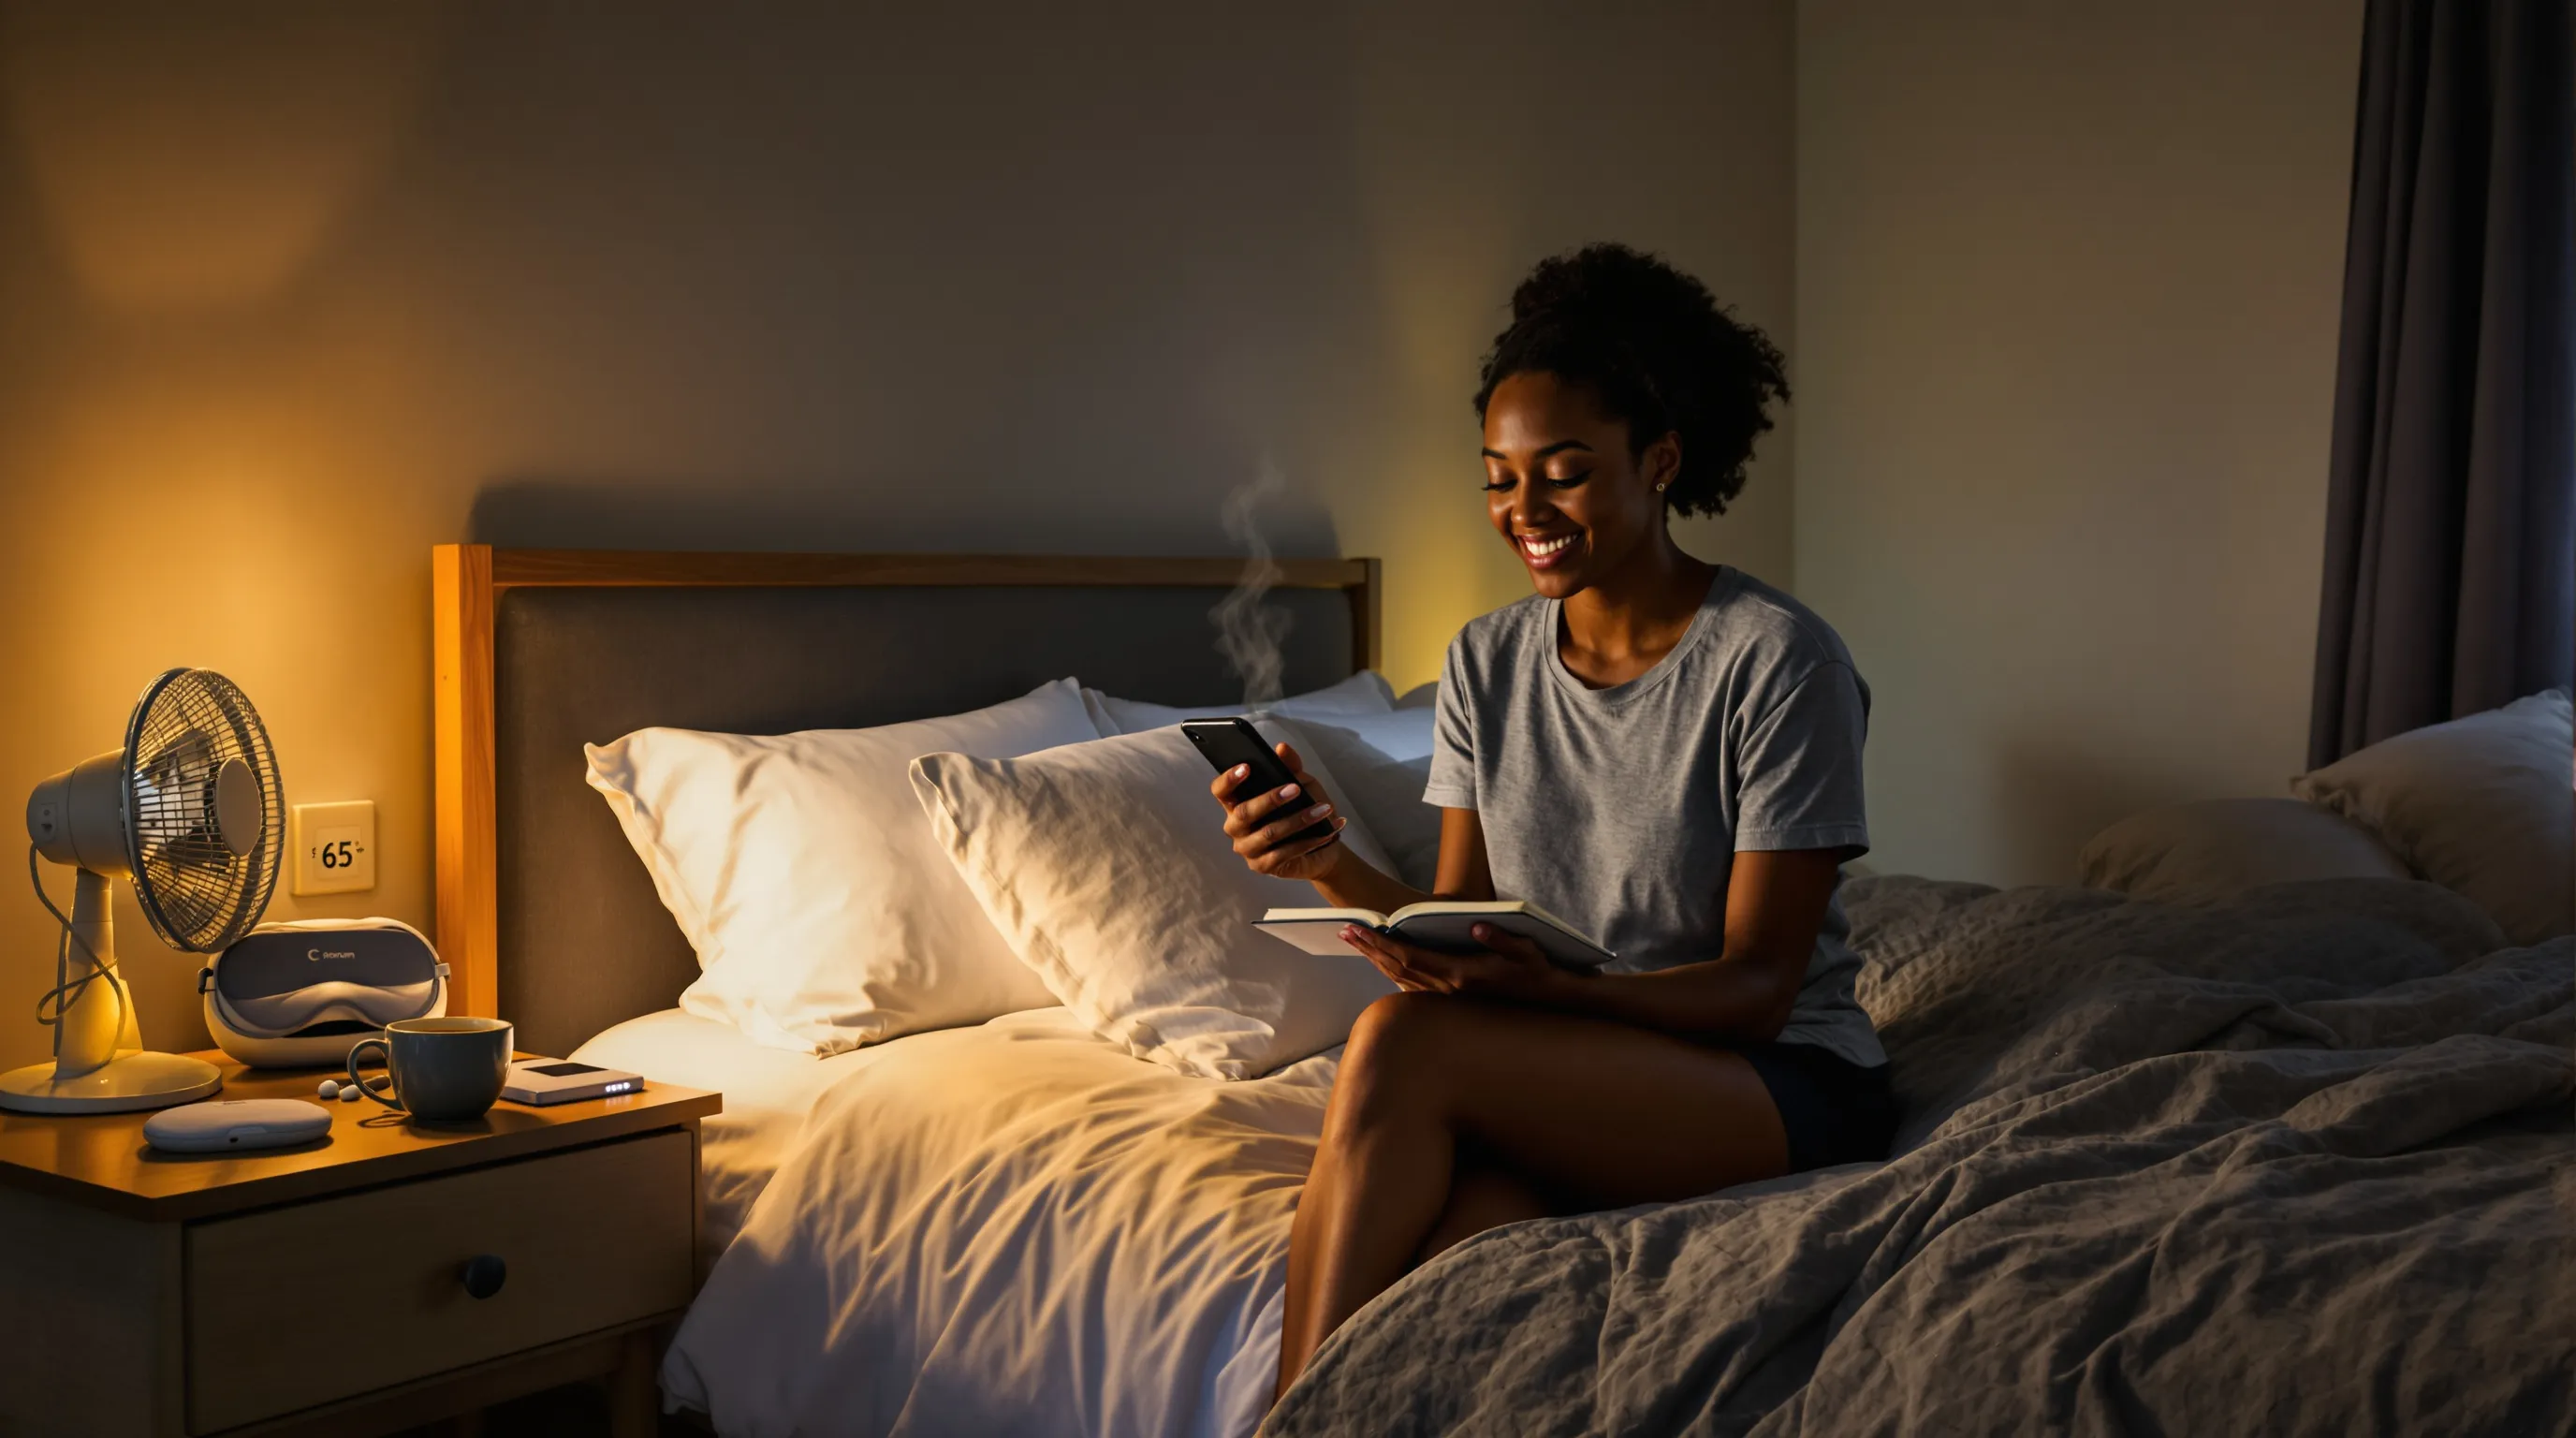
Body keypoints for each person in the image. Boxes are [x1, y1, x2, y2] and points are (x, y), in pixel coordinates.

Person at [1208, 242, 1896, 1401]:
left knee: (1393, 1044)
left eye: (1563, 474)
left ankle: (1278, 1429)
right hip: (1583, 1061)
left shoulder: (1779, 663)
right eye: (1497, 478)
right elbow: (1467, 922)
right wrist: (1329, 865)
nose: (1522, 511)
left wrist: (1550, 995)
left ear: (1659, 461)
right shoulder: (1485, 658)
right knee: (1440, 1285)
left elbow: (1758, 988)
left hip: (1773, 1081)